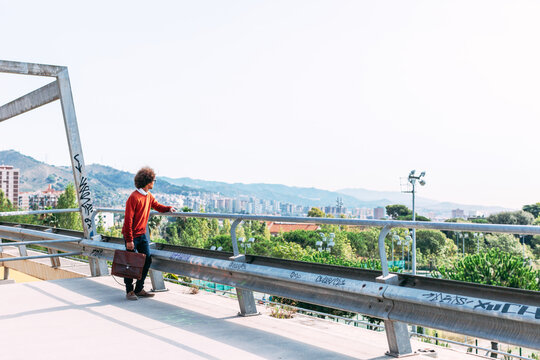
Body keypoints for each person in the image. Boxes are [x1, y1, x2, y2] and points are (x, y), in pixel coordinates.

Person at [122, 167, 176, 300]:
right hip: (132, 236)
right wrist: (129, 240)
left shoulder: (148, 196)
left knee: (147, 259)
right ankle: (129, 291)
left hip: (142, 235)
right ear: (148, 181)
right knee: (130, 263)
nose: (154, 182)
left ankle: (139, 289)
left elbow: (157, 206)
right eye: (153, 180)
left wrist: (169, 208)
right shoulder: (133, 197)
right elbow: (128, 220)